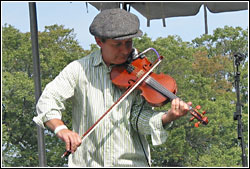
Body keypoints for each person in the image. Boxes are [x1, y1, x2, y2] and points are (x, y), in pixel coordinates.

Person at [33, 8, 191, 167]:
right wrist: (61, 129)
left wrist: (168, 117)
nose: (125, 51)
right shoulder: (78, 69)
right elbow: (48, 100)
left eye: (129, 43)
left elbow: (138, 119)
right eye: (117, 45)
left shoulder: (141, 72)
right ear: (99, 41)